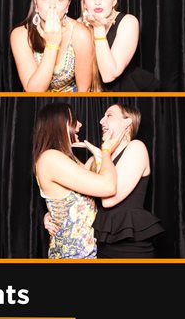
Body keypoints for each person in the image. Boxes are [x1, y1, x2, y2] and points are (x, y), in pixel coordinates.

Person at [45, 103, 165, 257]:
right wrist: (52, 214)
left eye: (109, 115)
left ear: (127, 122)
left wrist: (103, 153)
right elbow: (74, 195)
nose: (101, 121)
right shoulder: (97, 159)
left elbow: (109, 200)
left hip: (130, 247)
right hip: (100, 245)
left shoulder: (136, 147)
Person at [33, 102, 127, 258]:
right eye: (74, 120)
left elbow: (91, 183)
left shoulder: (70, 160)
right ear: (60, 124)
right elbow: (108, 186)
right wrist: (105, 151)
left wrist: (99, 153)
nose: (80, 125)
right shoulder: (50, 157)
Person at [11, 0, 95, 92]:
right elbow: (34, 92)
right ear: (35, 3)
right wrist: (52, 45)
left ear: (68, 5)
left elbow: (84, 90)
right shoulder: (21, 35)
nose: (52, 5)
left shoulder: (80, 34)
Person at [79, 0, 159, 92]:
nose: (97, 1)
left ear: (114, 0)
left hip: (129, 91)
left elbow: (108, 75)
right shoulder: (78, 26)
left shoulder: (128, 22)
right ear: (84, 3)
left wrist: (99, 28)